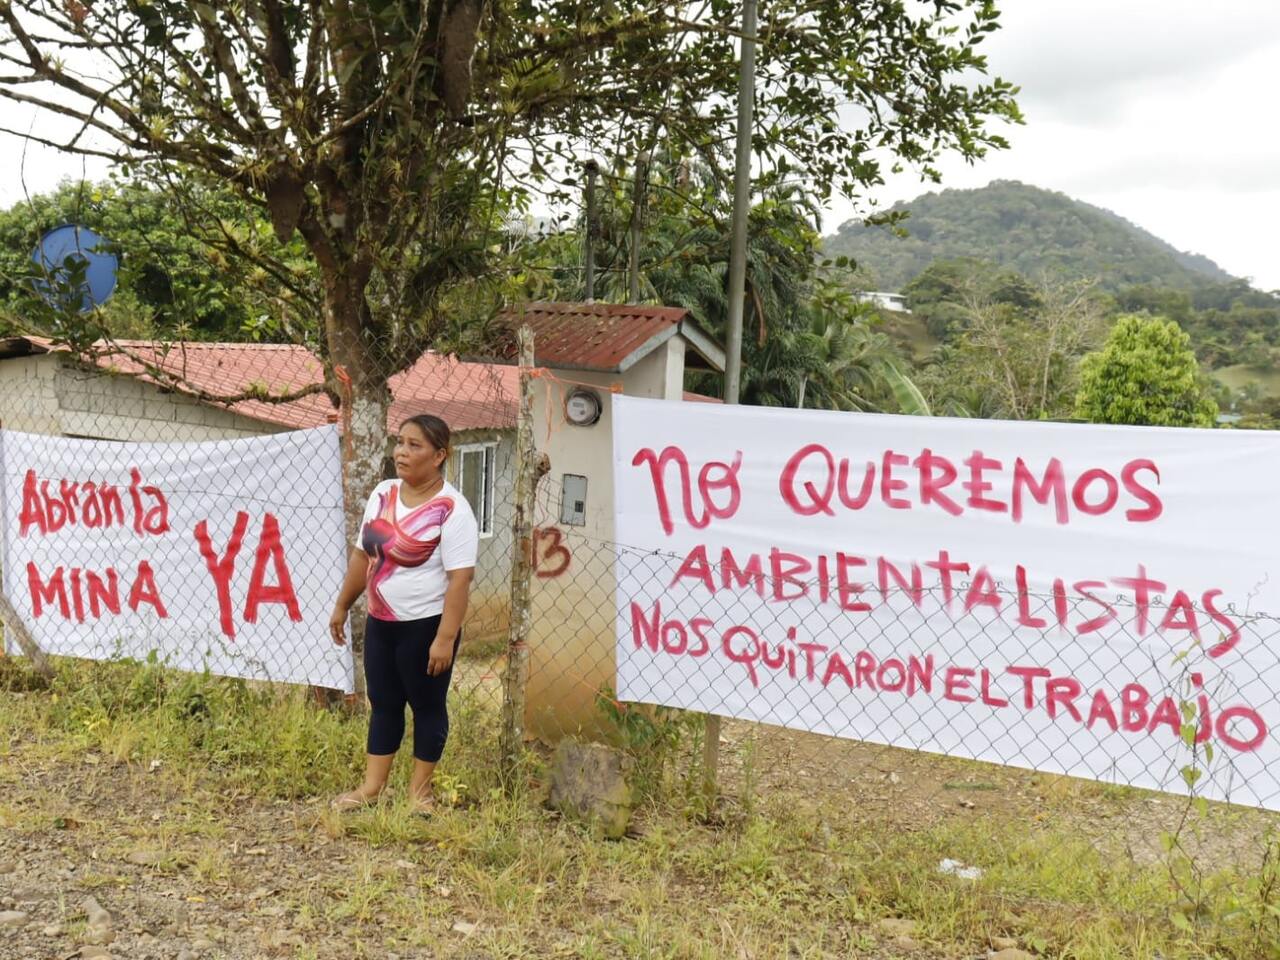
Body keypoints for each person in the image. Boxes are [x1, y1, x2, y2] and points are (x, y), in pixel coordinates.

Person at [329, 413, 478, 814]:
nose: (402, 452)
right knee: (384, 704)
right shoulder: (383, 495)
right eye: (400, 442)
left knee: (427, 708)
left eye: (415, 445)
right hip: (382, 624)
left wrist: (445, 638)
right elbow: (365, 554)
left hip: (425, 628)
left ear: (439, 455)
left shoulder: (452, 511)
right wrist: (343, 604)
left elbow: (460, 580)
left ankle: (420, 795)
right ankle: (372, 788)